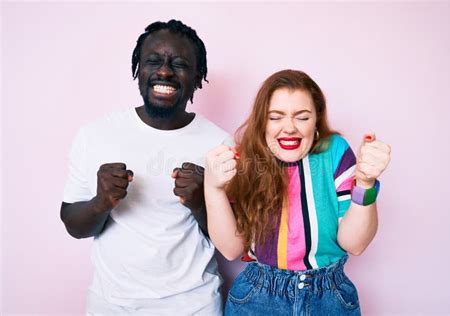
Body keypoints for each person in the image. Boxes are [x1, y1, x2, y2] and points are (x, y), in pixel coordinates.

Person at [61, 20, 229, 315]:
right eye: (153, 61)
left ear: (198, 75)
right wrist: (101, 203)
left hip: (193, 305)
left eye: (179, 64)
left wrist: (201, 203)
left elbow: (232, 241)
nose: (164, 71)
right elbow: (73, 225)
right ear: (138, 69)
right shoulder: (96, 134)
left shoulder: (220, 144)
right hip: (111, 305)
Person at [204, 69, 391, 315]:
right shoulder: (245, 160)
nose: (289, 127)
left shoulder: (334, 152)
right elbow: (230, 248)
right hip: (257, 299)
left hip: (329, 299)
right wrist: (213, 186)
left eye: (302, 117)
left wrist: (365, 183)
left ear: (316, 121)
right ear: (262, 122)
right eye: (275, 117)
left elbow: (354, 244)